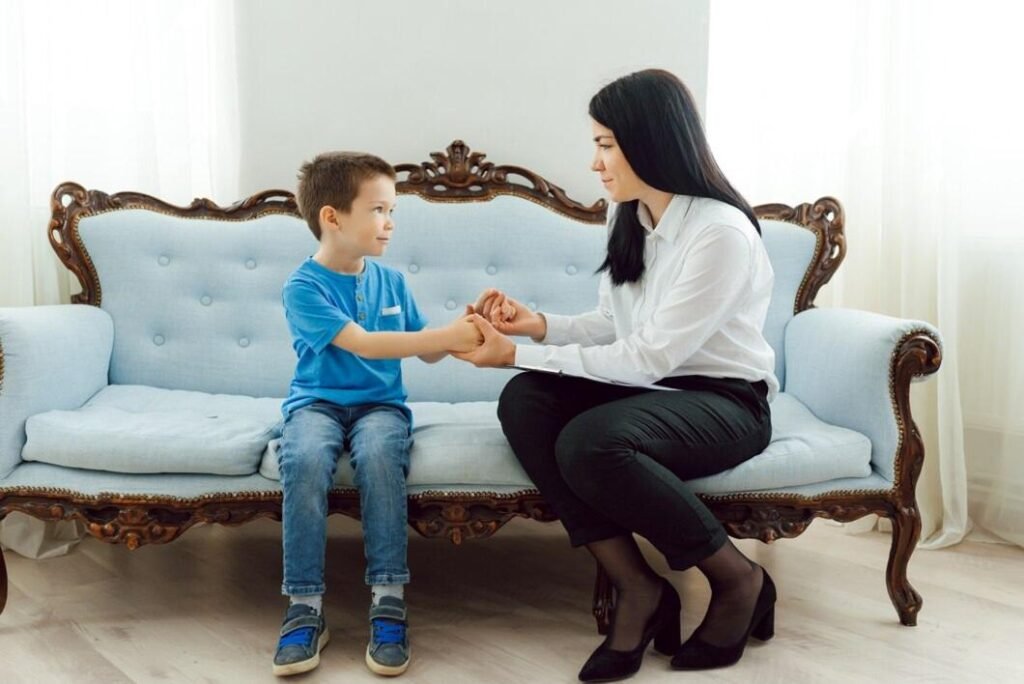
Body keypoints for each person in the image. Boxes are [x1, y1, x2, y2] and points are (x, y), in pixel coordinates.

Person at [455, 69, 778, 681]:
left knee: (590, 441)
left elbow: (648, 357)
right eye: (596, 144)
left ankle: (738, 579)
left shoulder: (720, 234)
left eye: (605, 144)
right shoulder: (627, 213)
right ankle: (638, 586)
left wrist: (512, 352)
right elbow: (614, 323)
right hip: (651, 391)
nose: (595, 162)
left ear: (650, 141)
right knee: (525, 401)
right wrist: (536, 326)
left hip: (726, 403)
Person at [273, 152, 482, 677]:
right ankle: (304, 606)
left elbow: (426, 350)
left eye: (392, 211)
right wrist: (446, 336)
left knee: (381, 458)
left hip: (380, 407)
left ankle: (388, 601)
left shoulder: (392, 282)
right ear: (332, 217)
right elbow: (365, 344)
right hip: (316, 403)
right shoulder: (303, 287)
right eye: (378, 210)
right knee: (303, 461)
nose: (390, 222)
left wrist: (470, 329)